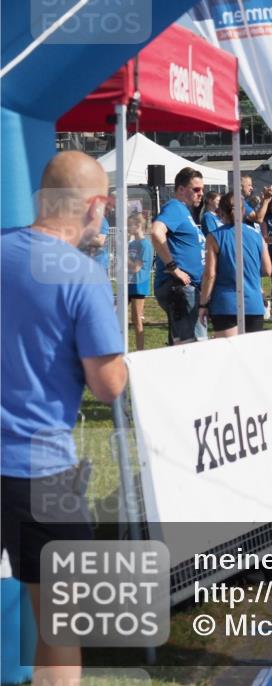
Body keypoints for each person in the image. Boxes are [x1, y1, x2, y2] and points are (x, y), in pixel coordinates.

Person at [1, 151, 127, 685]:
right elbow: (108, 384)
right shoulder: (84, 276)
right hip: (41, 469)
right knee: (60, 622)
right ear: (95, 207)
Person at [199, 192, 272, 336]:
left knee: (228, 355)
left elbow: (210, 274)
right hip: (253, 304)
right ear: (243, 210)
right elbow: (268, 270)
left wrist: (203, 304)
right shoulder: (257, 236)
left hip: (225, 304)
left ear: (220, 212)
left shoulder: (214, 237)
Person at [150, 167, 207, 345]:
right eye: (196, 189)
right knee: (190, 346)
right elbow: (156, 232)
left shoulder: (184, 212)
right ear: (181, 189)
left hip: (186, 288)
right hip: (180, 288)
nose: (201, 194)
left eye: (202, 190)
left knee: (183, 345)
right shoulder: (175, 207)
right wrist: (173, 268)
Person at [127, 213, 154, 351]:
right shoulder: (131, 243)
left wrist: (123, 258)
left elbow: (136, 267)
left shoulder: (145, 245)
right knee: (115, 313)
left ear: (138, 226)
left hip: (139, 285)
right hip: (127, 284)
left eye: (130, 225)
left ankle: (140, 350)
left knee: (136, 319)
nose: (127, 228)